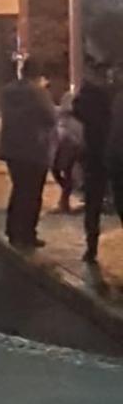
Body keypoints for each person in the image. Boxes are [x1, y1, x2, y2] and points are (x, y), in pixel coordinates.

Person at [0, 58, 57, 251]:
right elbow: (50, 117)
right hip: (34, 147)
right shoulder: (38, 92)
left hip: (11, 146)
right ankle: (28, 233)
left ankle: (13, 230)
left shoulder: (7, 91)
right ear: (38, 73)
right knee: (33, 193)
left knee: (19, 190)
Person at [79, 64, 122, 263]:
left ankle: (91, 245)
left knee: (96, 202)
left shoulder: (106, 94)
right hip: (102, 154)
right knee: (94, 202)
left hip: (109, 155)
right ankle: (91, 245)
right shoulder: (97, 95)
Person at [51, 88, 84, 215]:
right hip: (62, 148)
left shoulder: (74, 120)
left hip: (68, 148)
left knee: (65, 173)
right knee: (61, 173)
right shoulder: (61, 115)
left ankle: (64, 200)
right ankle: (65, 198)